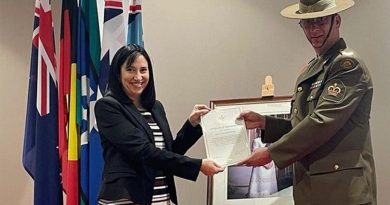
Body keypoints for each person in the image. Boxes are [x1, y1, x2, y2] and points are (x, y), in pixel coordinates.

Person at [237, 0, 376, 204]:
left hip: (342, 191)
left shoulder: (347, 65)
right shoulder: (314, 67)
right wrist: (264, 123)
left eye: (320, 21)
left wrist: (271, 153)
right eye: (307, 23)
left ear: (336, 20)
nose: (314, 30)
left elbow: (321, 122)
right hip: (312, 189)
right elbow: (302, 124)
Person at [95, 44, 224, 205]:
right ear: (118, 74)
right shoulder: (107, 106)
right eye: (130, 70)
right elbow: (143, 151)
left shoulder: (156, 107)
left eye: (143, 70)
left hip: (161, 197)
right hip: (126, 198)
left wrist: (191, 125)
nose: (138, 76)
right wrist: (197, 165)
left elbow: (169, 152)